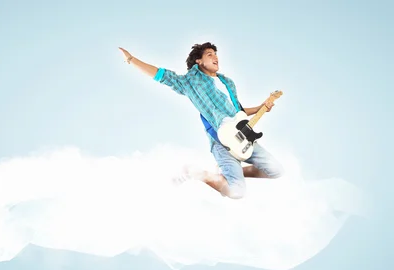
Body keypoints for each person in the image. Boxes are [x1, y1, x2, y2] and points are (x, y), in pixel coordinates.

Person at [118, 42, 284, 199]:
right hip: (222, 142)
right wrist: (131, 60)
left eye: (216, 54)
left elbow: (238, 111)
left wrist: (260, 107)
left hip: (243, 137)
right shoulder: (190, 82)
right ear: (199, 61)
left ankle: (223, 174)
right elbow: (160, 75)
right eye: (210, 54)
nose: (215, 57)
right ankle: (197, 173)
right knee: (236, 192)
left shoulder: (228, 83)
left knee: (276, 170)